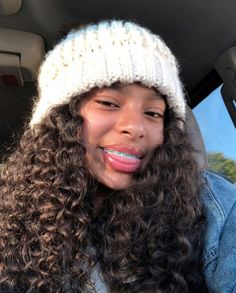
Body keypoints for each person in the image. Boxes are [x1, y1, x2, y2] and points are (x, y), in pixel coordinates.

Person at [0, 20, 235, 293]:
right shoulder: (11, 220)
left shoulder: (212, 206)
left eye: (153, 113)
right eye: (108, 103)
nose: (135, 127)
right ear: (61, 119)